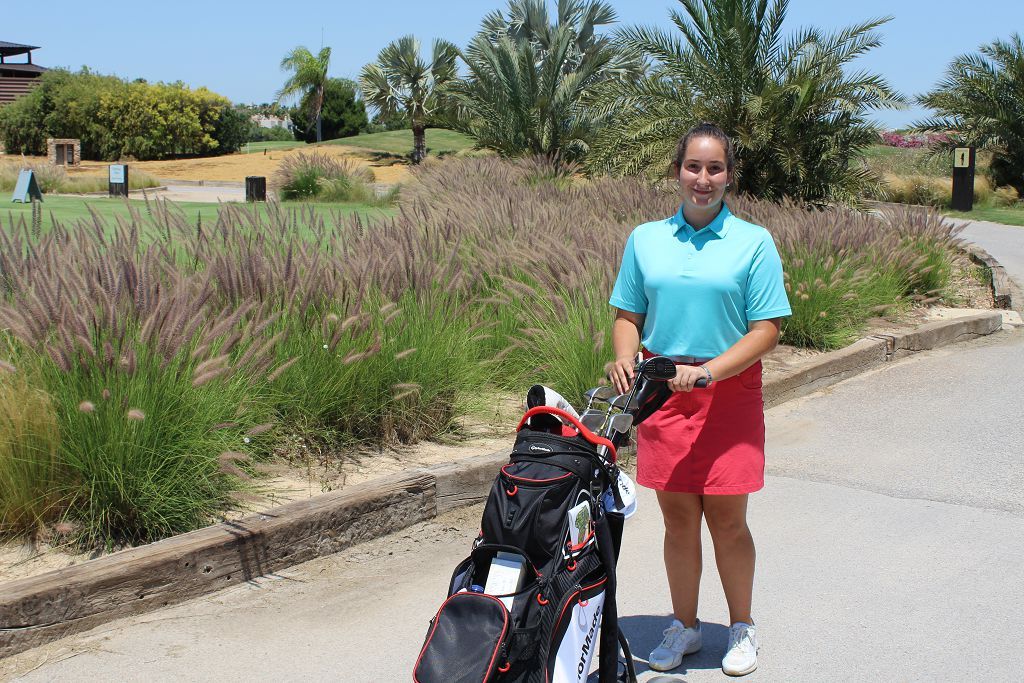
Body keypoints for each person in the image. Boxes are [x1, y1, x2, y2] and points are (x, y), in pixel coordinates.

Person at [607, 122, 791, 677]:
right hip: (662, 392)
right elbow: (627, 314)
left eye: (715, 168)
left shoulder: (753, 242)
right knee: (678, 520)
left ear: (729, 176)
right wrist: (623, 355)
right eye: (693, 167)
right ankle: (684, 627)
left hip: (728, 391)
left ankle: (741, 628)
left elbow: (766, 329)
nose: (703, 179)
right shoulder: (645, 238)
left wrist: (709, 372)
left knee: (728, 520)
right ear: (677, 171)